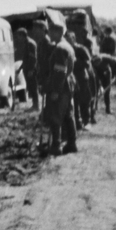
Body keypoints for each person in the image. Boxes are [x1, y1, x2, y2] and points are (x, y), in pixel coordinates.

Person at [40, 21, 77, 155]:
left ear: (57, 32)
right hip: (68, 85)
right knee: (68, 115)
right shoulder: (67, 46)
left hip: (61, 87)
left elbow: (60, 71)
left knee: (55, 116)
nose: (49, 34)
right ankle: (72, 144)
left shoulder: (60, 48)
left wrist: (55, 90)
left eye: (51, 31)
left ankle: (56, 146)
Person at [70, 33, 96, 128]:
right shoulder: (67, 49)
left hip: (81, 77)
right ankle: (77, 122)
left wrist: (75, 61)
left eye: (69, 39)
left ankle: (87, 121)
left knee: (84, 100)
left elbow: (88, 63)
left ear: (74, 39)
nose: (67, 41)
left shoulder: (80, 49)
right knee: (74, 101)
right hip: (71, 78)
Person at [15, 25, 40, 111]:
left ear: (23, 35)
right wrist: (20, 68)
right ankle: (34, 104)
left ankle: (36, 106)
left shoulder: (30, 43)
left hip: (31, 70)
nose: (18, 38)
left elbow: (33, 58)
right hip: (27, 69)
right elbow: (25, 59)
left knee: (33, 87)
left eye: (19, 36)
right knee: (30, 87)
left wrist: (31, 70)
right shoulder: (26, 43)